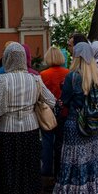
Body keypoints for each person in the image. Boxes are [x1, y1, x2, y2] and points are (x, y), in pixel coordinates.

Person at [0, 43, 55, 194]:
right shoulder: (35, 79)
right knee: (26, 167)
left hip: (8, 130)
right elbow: (51, 100)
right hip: (30, 129)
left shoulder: (0, 80)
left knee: (9, 168)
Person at [50, 42, 98, 194]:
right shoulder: (95, 75)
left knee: (73, 160)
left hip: (75, 124)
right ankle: (90, 191)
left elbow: (64, 101)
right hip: (92, 125)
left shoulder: (73, 77)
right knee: (88, 159)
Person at [39, 46, 69, 179]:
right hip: (64, 111)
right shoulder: (68, 72)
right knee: (61, 141)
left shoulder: (44, 74)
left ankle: (46, 168)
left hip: (48, 113)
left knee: (47, 141)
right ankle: (60, 167)